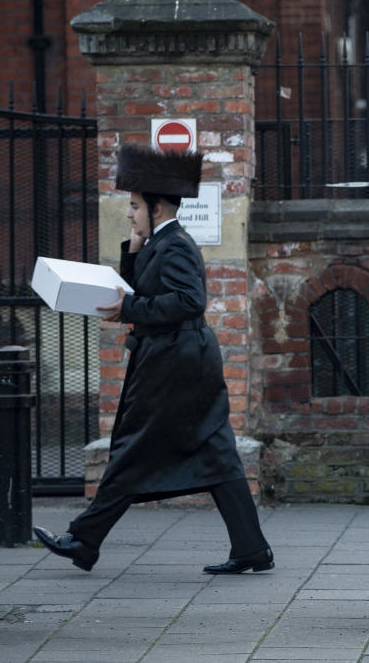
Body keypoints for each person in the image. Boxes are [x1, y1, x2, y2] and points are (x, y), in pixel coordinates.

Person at [35, 143, 273, 575]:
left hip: (174, 363)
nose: (129, 213)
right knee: (217, 452)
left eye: (133, 206)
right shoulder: (160, 242)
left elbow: (188, 300)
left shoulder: (177, 245)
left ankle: (85, 540)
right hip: (181, 360)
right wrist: (133, 248)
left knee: (133, 448)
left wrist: (129, 310)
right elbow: (140, 288)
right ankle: (252, 549)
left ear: (156, 206)